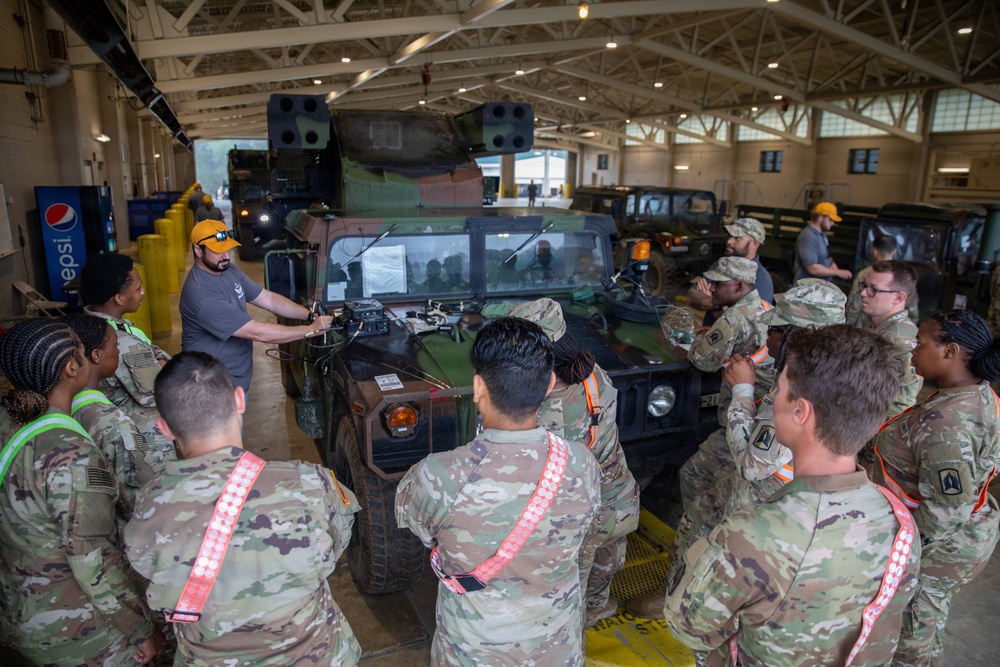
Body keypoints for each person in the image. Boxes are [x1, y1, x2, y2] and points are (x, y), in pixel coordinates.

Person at [664, 325, 921, 666]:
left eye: (779, 391)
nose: (772, 399)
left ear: (800, 412)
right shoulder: (901, 523)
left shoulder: (749, 536)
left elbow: (687, 626)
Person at [123, 352, 360, 666]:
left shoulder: (149, 506)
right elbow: (337, 541)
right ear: (239, 400)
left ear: (165, 428)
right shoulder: (305, 483)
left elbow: (145, 566)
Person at [395, 318, 601, 666]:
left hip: (473, 654)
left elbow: (421, 531)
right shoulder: (582, 464)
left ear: (478, 387)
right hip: (557, 650)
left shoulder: (437, 476)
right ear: (550, 383)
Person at [0, 318, 161, 666]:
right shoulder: (69, 454)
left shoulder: (9, 421)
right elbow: (92, 559)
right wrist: (139, 628)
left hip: (19, 613)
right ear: (74, 366)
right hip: (78, 631)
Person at [870, 309, 1000, 667]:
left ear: (951, 351)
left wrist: (903, 557)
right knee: (929, 622)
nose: (912, 349)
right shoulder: (978, 395)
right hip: (965, 534)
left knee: (910, 636)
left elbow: (948, 511)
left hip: (940, 547)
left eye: (922, 342)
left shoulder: (947, 422)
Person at [505, 298, 640, 626]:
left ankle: (569, 631)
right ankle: (598, 604)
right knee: (605, 559)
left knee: (563, 598)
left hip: (582, 517)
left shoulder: (551, 410)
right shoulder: (591, 372)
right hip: (619, 496)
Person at [180, 219, 334, 394]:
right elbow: (257, 332)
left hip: (233, 380)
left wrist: (308, 315)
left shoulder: (227, 270)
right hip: (210, 390)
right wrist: (311, 330)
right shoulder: (201, 295)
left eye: (228, 249)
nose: (226, 256)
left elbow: (267, 299)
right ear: (198, 250)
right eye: (218, 251)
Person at [680, 256, 774, 521]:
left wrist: (702, 337)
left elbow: (701, 360)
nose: (713, 288)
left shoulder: (733, 318)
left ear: (740, 286)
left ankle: (698, 527)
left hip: (744, 416)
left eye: (720, 283)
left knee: (692, 474)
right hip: (764, 412)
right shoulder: (765, 307)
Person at [81, 251, 174, 471]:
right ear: (119, 298)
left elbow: (155, 354)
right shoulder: (119, 341)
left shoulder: (95, 323)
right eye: (138, 288)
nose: (142, 292)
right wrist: (161, 363)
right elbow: (157, 390)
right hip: (140, 443)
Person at [62, 313, 154, 526]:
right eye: (114, 346)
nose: (118, 351)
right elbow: (138, 505)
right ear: (96, 355)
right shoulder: (116, 426)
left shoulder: (65, 405)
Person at [859, 260, 922, 419]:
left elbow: (901, 406)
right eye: (865, 285)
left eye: (873, 289)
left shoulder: (898, 340)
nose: (863, 293)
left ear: (898, 297)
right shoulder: (884, 329)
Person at [687, 217, 774, 320]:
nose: (729, 241)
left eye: (737, 238)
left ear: (754, 244)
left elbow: (744, 325)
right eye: (729, 236)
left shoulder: (761, 280)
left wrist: (712, 303)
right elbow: (691, 296)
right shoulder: (721, 264)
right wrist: (725, 306)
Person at [846, 234, 920, 326]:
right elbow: (913, 311)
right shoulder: (903, 277)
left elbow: (854, 304)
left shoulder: (865, 274)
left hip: (865, 329)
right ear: (894, 251)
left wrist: (847, 326)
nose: (864, 293)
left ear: (874, 251)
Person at [794, 201, 852, 282]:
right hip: (809, 288)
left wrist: (832, 263)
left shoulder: (822, 233)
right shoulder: (808, 237)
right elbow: (812, 268)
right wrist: (837, 272)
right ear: (820, 218)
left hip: (819, 284)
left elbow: (826, 253)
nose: (833, 223)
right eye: (830, 219)